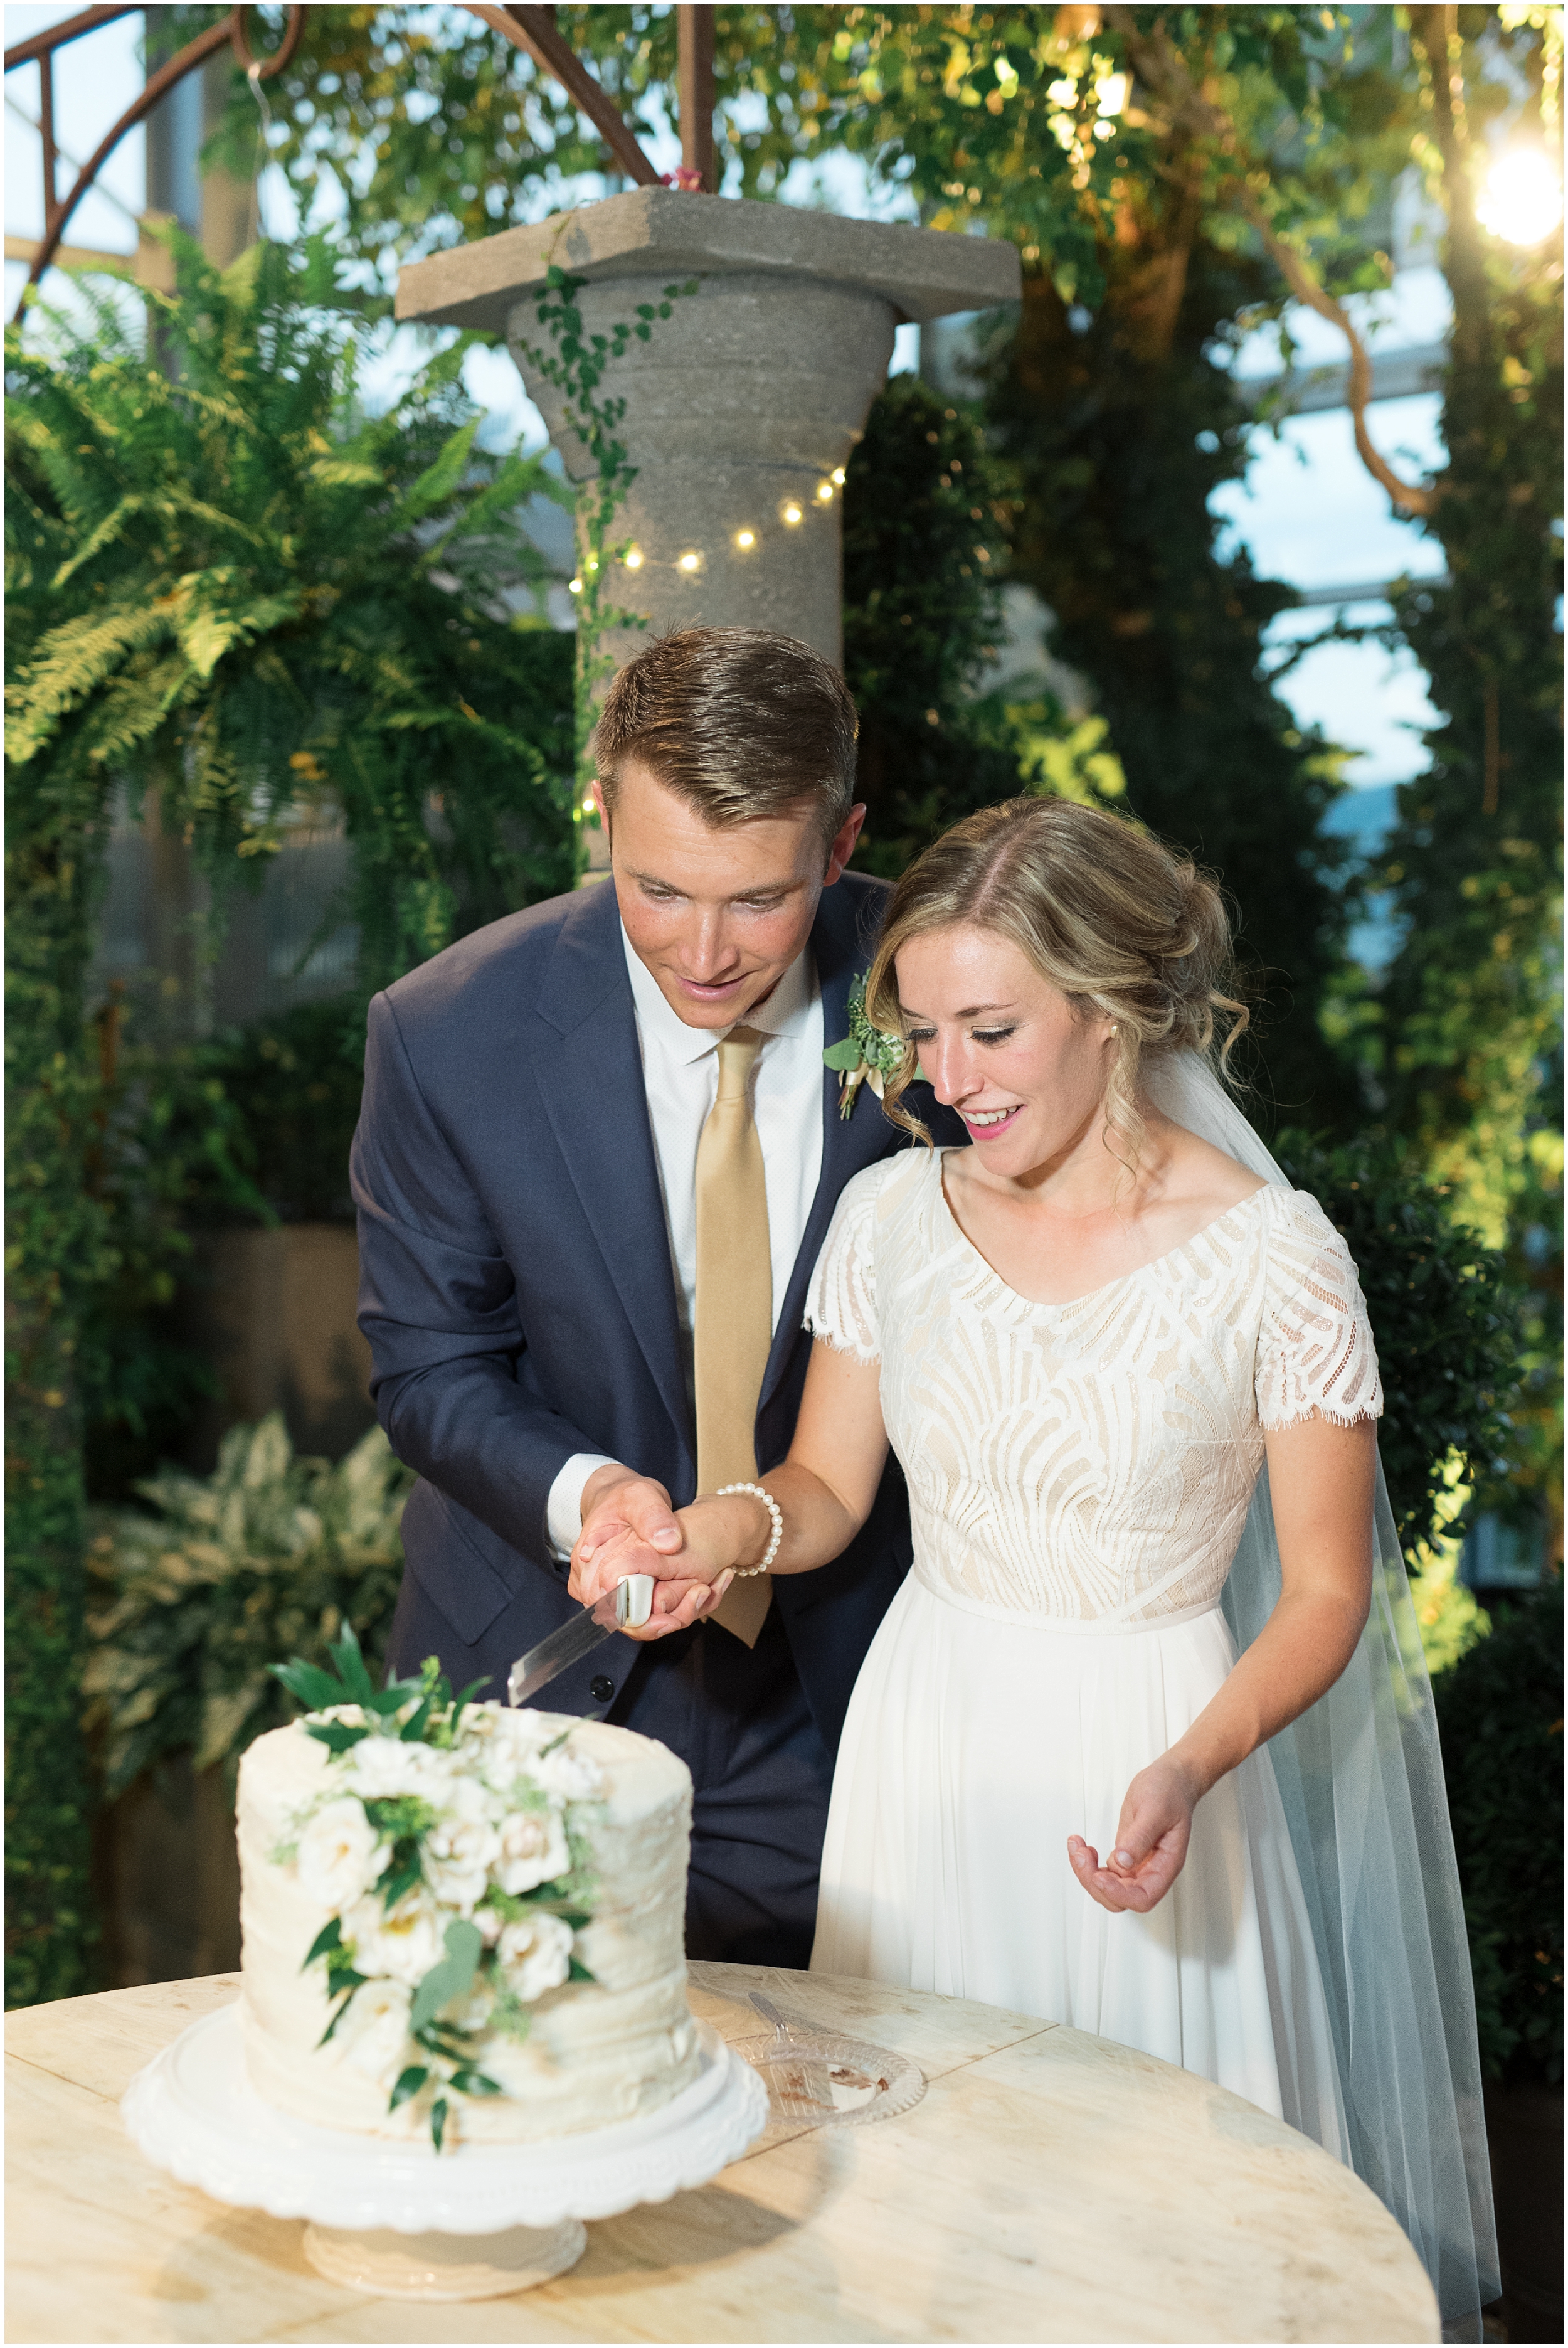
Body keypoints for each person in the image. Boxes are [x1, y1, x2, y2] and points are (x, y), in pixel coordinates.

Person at [580, 796, 1498, 2335]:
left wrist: (1190, 1766)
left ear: (1113, 1010)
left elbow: (1329, 1596)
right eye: (924, 1033)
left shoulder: (1277, 1258)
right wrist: (709, 1534)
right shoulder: (889, 1216)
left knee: (1153, 2239)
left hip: (1148, 1762)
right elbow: (819, 1486)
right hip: (924, 1748)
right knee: (910, 2226)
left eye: (990, 1031)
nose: (945, 1081)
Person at [351, 625, 959, 1969]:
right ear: (600, 809)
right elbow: (429, 1368)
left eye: (758, 900)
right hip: (534, 1672)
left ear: (842, 843)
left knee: (844, 2123)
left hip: (839, 1687)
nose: (702, 951)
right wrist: (590, 1495)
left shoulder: (942, 998)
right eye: (656, 889)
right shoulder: (449, 1032)